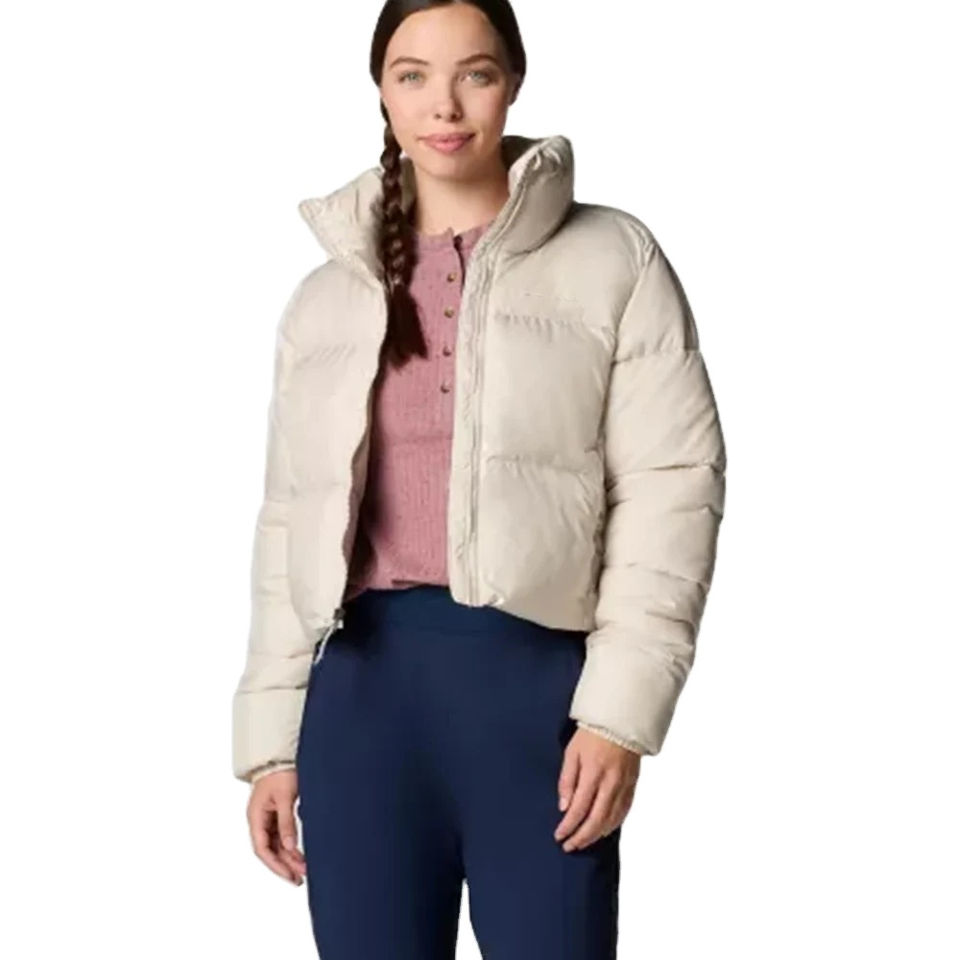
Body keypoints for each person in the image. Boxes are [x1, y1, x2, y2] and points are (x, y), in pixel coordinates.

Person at [231, 1, 727, 956]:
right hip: (363, 705)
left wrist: (619, 714)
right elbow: (289, 522)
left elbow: (672, 487)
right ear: (381, 92)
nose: (445, 105)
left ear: (514, 83)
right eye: (412, 75)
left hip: (539, 700)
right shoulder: (325, 299)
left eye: (477, 73)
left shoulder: (612, 259)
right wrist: (272, 745)